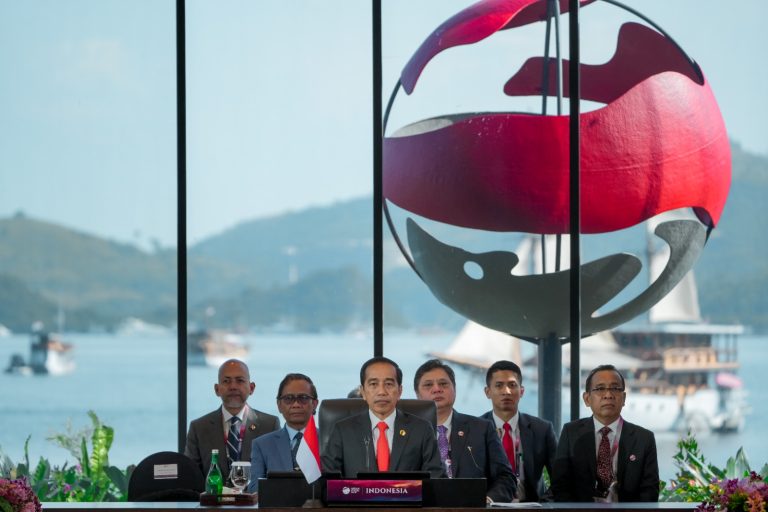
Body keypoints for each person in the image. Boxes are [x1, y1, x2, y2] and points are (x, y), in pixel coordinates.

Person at [551, 364, 659, 502]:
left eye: (615, 388)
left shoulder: (644, 438)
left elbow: (649, 492)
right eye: (600, 389)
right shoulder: (571, 433)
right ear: (587, 399)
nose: (608, 395)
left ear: (624, 398)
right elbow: (560, 487)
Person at [321, 356, 444, 478]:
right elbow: (328, 480)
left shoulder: (421, 429)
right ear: (363, 392)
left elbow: (436, 479)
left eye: (389, 384)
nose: (382, 392)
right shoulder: (343, 430)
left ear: (400, 391)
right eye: (373, 384)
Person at [414, 359, 516, 503]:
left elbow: (506, 477)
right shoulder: (409, 433)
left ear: (454, 389)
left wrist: (487, 500)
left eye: (443, 384)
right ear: (417, 394)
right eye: (428, 385)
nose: (437, 389)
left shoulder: (482, 429)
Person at [185, 359, 280, 481]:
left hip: (255, 499)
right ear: (217, 389)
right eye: (226, 381)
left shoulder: (270, 425)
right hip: (214, 499)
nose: (233, 386)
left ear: (251, 388)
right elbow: (191, 476)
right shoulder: (198, 428)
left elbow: (275, 476)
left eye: (240, 381)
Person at [479, 360, 557, 502]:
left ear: (521, 391)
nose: (506, 391)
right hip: (489, 506)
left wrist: (544, 505)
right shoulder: (476, 429)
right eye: (499, 385)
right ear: (487, 392)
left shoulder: (542, 429)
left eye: (512, 385)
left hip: (532, 507)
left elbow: (560, 479)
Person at [247, 373, 319, 492]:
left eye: (303, 398)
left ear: (315, 404)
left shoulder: (330, 442)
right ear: (279, 405)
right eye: (288, 399)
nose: (296, 404)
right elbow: (254, 489)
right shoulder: (262, 445)